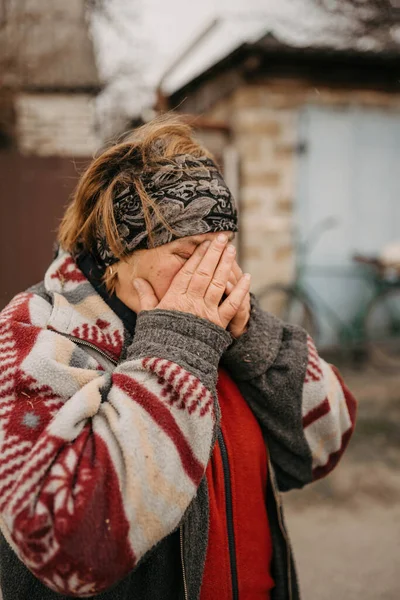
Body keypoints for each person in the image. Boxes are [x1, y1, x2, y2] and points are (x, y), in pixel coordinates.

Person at [0, 115, 356, 600]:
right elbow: (66, 542)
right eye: (190, 253)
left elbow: (326, 441)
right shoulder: (34, 330)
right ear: (117, 252)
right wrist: (177, 348)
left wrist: (253, 339)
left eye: (225, 249)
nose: (220, 273)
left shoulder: (225, 323)